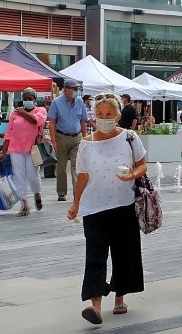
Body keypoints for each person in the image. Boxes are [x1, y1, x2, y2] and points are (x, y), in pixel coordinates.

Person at [66, 93, 146, 325]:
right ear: (93, 116)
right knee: (95, 256)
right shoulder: (86, 144)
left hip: (124, 205)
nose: (104, 118)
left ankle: (119, 297)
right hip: (94, 208)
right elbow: (82, 175)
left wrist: (132, 174)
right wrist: (76, 203)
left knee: (123, 253)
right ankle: (95, 306)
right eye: (99, 114)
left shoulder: (129, 137)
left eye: (109, 114)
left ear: (118, 115)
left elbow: (142, 165)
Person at [0, 88, 45, 217]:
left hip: (32, 149)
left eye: (30, 99)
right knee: (19, 176)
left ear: (35, 100)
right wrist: (3, 152)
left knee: (33, 175)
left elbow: (35, 121)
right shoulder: (15, 114)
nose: (27, 101)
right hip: (15, 148)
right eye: (25, 99)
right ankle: (24, 203)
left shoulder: (40, 111)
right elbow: (8, 133)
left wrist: (23, 112)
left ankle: (37, 193)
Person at [47, 80, 88, 202]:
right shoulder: (56, 102)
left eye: (77, 89)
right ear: (66, 90)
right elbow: (52, 122)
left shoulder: (80, 102)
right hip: (61, 137)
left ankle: (78, 193)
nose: (76, 91)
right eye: (74, 89)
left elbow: (83, 121)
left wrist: (85, 139)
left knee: (77, 166)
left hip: (77, 137)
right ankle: (61, 193)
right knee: (61, 167)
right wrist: (53, 140)